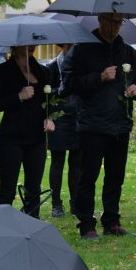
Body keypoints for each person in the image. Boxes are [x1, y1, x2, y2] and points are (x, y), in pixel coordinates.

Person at [62, 12, 136, 239]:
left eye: (119, 22)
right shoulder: (82, 49)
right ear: (100, 20)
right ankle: (86, 224)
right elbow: (68, 84)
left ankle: (112, 221)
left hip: (120, 123)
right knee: (87, 176)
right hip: (92, 123)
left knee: (115, 176)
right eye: (111, 22)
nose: (115, 27)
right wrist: (99, 77)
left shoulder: (127, 51)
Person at [0, 46, 55, 218]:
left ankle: (32, 225)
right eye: (25, 43)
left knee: (34, 189)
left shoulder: (42, 71)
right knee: (7, 189)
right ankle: (2, 228)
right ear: (15, 46)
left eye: (32, 43)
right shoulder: (0, 71)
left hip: (37, 138)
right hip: (11, 138)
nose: (30, 47)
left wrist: (50, 117)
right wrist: (18, 97)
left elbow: (50, 101)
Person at [46, 43, 80, 218]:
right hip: (58, 118)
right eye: (71, 45)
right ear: (64, 46)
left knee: (76, 163)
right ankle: (56, 204)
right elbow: (45, 94)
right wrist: (49, 116)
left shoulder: (80, 65)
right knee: (58, 161)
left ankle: (75, 203)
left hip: (77, 117)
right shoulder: (53, 66)